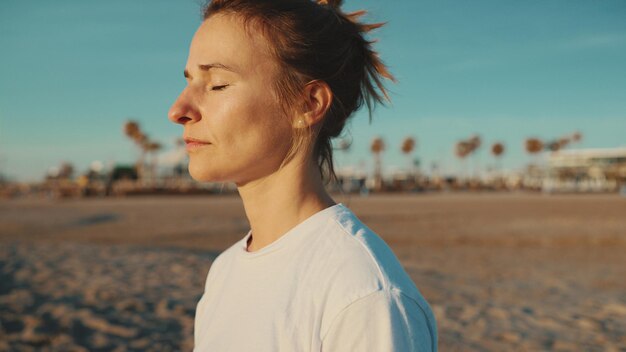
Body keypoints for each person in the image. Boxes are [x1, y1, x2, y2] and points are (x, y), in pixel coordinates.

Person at [168, 0, 438, 350]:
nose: (178, 110)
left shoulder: (362, 296)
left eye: (218, 84)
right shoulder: (224, 271)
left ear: (308, 104)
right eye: (190, 81)